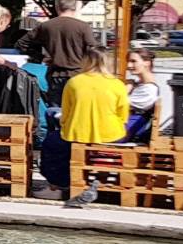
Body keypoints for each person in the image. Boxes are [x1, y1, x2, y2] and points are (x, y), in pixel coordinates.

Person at [40, 48, 128, 206]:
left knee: (52, 143)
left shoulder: (74, 82)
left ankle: (58, 185)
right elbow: (123, 115)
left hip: (77, 133)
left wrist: (65, 125)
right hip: (111, 134)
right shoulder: (117, 84)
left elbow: (66, 113)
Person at [20, 0, 99, 105]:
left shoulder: (46, 26)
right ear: (75, 6)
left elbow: (21, 43)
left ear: (57, 6)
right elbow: (94, 50)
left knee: (56, 110)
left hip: (55, 75)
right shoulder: (83, 27)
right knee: (77, 108)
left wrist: (41, 57)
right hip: (78, 75)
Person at [124, 49, 174, 144]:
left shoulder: (149, 89)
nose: (129, 65)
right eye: (128, 61)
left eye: (133, 61)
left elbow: (116, 104)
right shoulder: (140, 85)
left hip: (124, 132)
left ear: (147, 63)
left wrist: (126, 89)